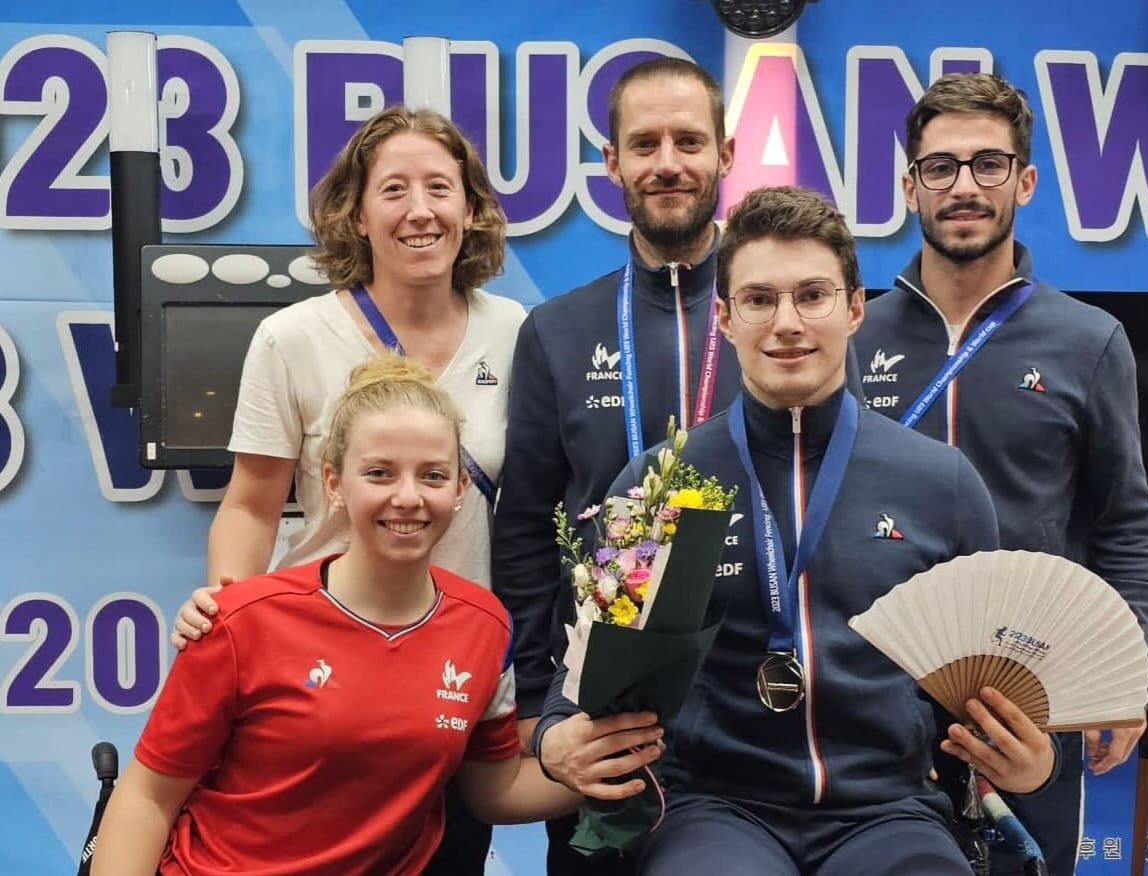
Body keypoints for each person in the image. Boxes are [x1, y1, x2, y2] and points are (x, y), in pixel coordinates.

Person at [535, 186, 1059, 876]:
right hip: (714, 810)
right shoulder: (661, 481)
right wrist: (553, 739)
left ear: (855, 307)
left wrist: (1035, 762)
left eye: (812, 295)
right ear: (725, 317)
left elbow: (1000, 683)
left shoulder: (942, 484)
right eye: (759, 299)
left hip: (890, 811)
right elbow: (585, 668)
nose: (787, 323)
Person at [92, 354, 624, 876]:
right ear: (333, 483)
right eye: (379, 473)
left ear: (460, 488)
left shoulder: (485, 627)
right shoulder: (240, 622)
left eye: (433, 475)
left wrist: (612, 762)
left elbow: (494, 789)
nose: (408, 497)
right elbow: (148, 797)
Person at [171, 104, 525, 875]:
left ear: (471, 208)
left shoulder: (516, 333)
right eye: (393, 190)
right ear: (358, 216)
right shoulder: (293, 338)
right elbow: (251, 504)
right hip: (320, 679)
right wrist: (227, 614)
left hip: (451, 676)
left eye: (440, 187)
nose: (419, 210)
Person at [852, 72, 1148, 876]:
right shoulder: (853, 336)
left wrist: (1122, 667)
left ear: (1023, 181)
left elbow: (1126, 523)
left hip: (1033, 700)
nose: (964, 186)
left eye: (988, 164)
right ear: (910, 186)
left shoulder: (1089, 340)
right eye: (941, 166)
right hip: (877, 698)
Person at [490, 56, 742, 876]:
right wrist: (539, 710)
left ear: (726, 154)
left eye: (688, 141)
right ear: (612, 162)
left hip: (753, 716)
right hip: (600, 718)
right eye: (644, 144)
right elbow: (525, 531)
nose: (668, 162)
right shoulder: (557, 330)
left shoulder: (776, 321)